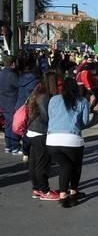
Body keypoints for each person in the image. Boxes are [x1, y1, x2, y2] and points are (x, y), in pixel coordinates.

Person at [46, 77, 90, 206]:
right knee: (75, 166)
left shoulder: (53, 100)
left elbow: (50, 116)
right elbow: (85, 122)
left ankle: (65, 192)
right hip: (72, 139)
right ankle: (69, 193)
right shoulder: (82, 101)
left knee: (65, 166)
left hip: (52, 140)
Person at [26, 71, 61, 200]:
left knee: (34, 162)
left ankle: (36, 188)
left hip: (32, 131)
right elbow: (47, 116)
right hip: (41, 132)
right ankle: (45, 191)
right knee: (42, 163)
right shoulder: (45, 96)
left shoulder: (37, 92)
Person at [0, 54, 20, 154]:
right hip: (12, 103)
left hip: (4, 103)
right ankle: (15, 147)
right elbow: (19, 85)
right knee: (13, 125)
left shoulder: (2, 73)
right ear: (12, 64)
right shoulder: (12, 75)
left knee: (8, 125)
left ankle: (8, 146)